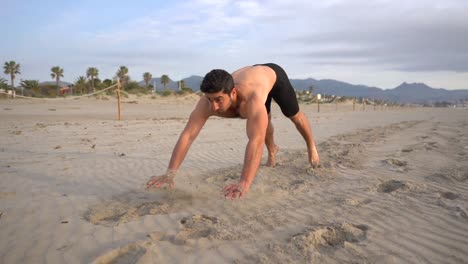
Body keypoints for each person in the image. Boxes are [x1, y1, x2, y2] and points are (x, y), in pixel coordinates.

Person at [146, 63, 320, 199]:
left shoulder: (252, 101)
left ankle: (311, 146)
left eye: (219, 100)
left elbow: (255, 141)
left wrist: (244, 182)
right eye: (210, 99)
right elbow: (188, 135)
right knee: (262, 120)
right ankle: (273, 150)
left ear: (233, 93)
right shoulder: (207, 104)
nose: (214, 106)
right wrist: (170, 174)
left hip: (273, 77)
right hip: (253, 77)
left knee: (292, 115)